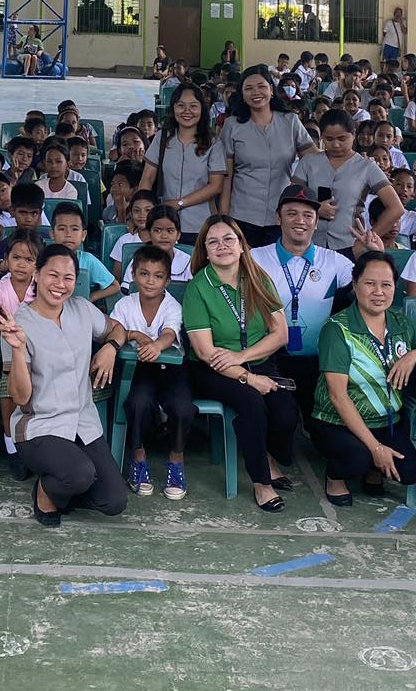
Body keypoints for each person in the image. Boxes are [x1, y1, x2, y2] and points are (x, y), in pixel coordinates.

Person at [311, 249, 416, 504]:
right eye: (370, 283)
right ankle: (336, 476)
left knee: (410, 473)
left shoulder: (400, 322)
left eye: (386, 285)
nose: (378, 292)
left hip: (386, 421)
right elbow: (337, 396)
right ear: (355, 283)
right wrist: (375, 448)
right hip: (336, 422)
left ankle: (374, 466)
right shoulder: (337, 328)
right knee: (357, 459)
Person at [181, 215, 301, 511]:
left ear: (241, 245)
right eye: (213, 242)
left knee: (286, 414)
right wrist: (247, 377)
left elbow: (280, 334)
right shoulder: (199, 287)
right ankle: (262, 483)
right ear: (205, 251)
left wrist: (243, 358)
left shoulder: (259, 279)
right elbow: (206, 352)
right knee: (251, 404)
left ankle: (268, 456)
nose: (222, 246)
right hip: (213, 370)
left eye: (228, 239)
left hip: (257, 362)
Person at [6, 243, 128, 526]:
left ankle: (65, 480)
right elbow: (21, 397)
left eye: (68, 278)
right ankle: (46, 491)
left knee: (114, 501)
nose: (60, 285)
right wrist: (17, 348)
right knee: (79, 474)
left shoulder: (82, 309)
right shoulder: (19, 324)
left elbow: (117, 328)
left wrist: (110, 347)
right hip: (40, 425)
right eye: (53, 275)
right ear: (36, 274)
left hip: (81, 421)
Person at [249, 185, 355, 417]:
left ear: (317, 222)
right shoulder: (255, 258)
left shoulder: (335, 262)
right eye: (291, 213)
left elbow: (368, 286)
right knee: (281, 419)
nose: (301, 220)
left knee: (318, 427)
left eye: (308, 215)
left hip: (317, 361)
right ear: (278, 218)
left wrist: (371, 255)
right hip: (269, 359)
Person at [112, 244, 194, 501]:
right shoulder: (125, 304)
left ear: (167, 280)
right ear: (133, 274)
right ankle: (138, 458)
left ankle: (176, 459)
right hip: (137, 370)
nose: (150, 281)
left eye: (158, 276)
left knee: (182, 407)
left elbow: (170, 332)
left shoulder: (173, 305)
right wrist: (135, 334)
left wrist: (158, 344)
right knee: (137, 403)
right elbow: (113, 329)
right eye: (144, 274)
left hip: (171, 370)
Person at [217, 67, 315, 246]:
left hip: (281, 215)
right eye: (248, 88)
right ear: (243, 95)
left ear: (271, 90)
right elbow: (226, 177)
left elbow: (314, 161)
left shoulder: (290, 121)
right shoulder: (232, 125)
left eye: (261, 86)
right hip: (242, 214)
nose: (256, 92)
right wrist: (225, 219)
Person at [296, 109, 396, 255]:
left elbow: (395, 208)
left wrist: (368, 237)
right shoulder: (308, 162)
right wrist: (315, 208)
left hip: (349, 244)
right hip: (309, 242)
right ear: (322, 137)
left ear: (354, 135)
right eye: (329, 139)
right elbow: (290, 199)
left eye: (342, 139)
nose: (336, 145)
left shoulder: (366, 166)